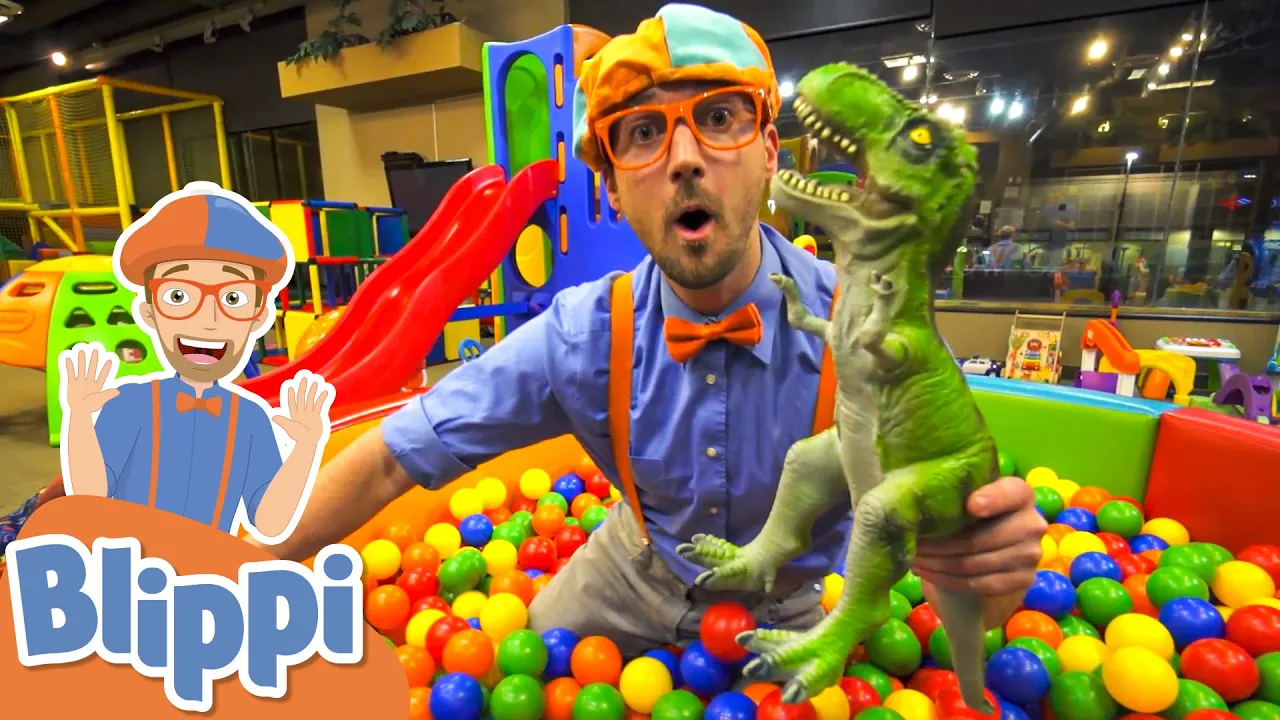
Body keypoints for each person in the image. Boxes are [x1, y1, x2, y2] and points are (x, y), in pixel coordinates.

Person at [254, 3, 1047, 657]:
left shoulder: (876, 335)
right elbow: (389, 458)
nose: (685, 159)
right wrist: (235, 570)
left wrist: (993, 573)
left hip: (796, 601)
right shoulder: (581, 336)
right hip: (629, 574)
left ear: (769, 152)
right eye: (643, 133)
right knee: (518, 667)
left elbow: (983, 590)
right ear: (611, 188)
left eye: (720, 118)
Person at [59, 183, 331, 539]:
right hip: (131, 562)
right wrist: (79, 418)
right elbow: (91, 494)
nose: (208, 320)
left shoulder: (249, 419)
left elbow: (269, 521)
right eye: (179, 295)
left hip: (205, 566)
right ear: (150, 311)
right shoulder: (128, 405)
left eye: (232, 298)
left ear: (258, 316)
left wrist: (305, 448)